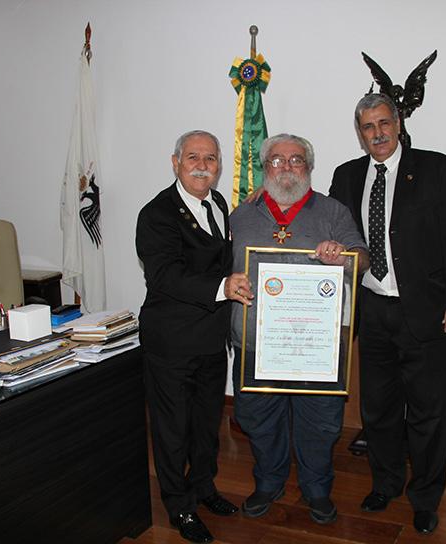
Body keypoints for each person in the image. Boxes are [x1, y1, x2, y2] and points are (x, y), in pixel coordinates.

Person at [329, 93, 446, 534]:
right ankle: (386, 483)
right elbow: (331, 230)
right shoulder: (347, 176)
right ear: (360, 133)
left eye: (383, 123)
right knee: (379, 410)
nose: (377, 134)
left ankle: (426, 497)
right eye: (367, 127)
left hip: (426, 312)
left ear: (397, 123)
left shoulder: (436, 168)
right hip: (371, 311)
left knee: (428, 412)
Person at [229, 133, 369, 525]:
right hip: (256, 341)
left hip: (315, 346)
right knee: (258, 417)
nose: (286, 167)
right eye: (276, 160)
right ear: (264, 168)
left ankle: (317, 488)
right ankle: (268, 482)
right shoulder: (240, 215)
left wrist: (343, 257)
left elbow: (364, 260)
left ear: (308, 166)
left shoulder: (333, 212)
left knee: (320, 421)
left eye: (295, 160)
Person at [136, 130, 251, 544]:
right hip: (171, 341)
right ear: (175, 162)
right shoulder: (157, 214)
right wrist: (223, 287)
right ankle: (179, 505)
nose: (202, 165)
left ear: (219, 165)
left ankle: (204, 487)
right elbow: (165, 275)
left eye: (211, 158)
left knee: (205, 424)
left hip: (209, 339)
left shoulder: (218, 203)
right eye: (192, 157)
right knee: (172, 430)